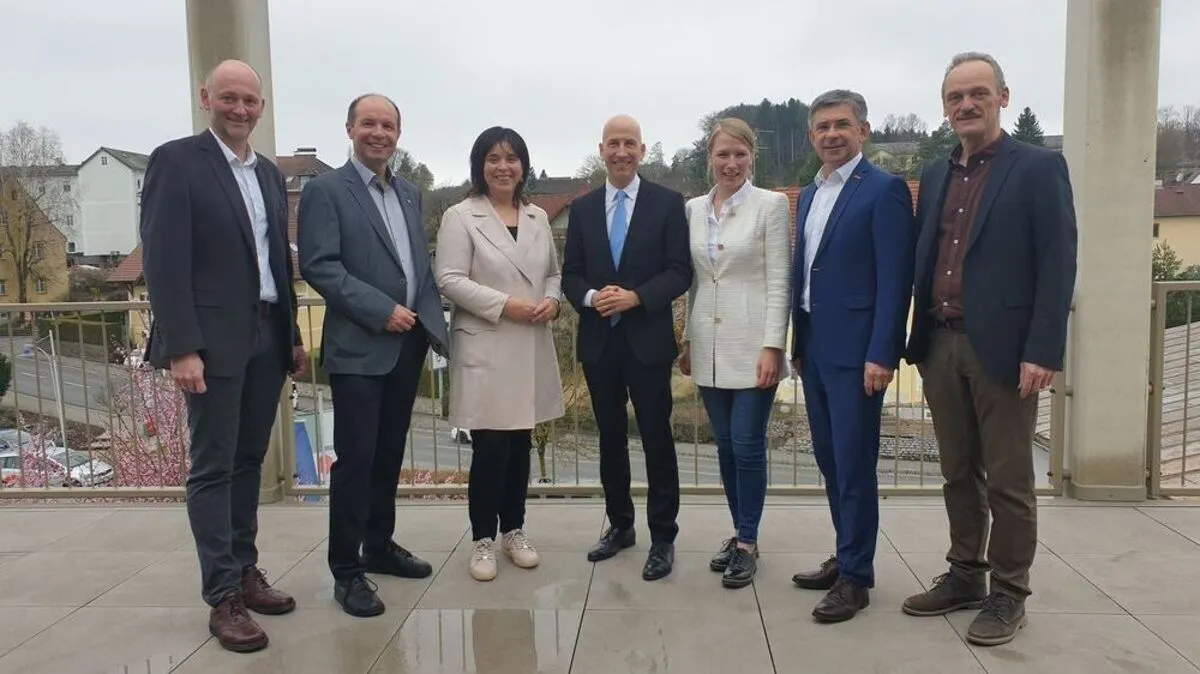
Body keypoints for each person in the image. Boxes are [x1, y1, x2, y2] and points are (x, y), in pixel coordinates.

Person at [902, 52, 1077, 647]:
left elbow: (1058, 263)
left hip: (1003, 350)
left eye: (978, 93)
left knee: (1007, 478)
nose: (966, 105)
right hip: (941, 343)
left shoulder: (1037, 168)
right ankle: (965, 575)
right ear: (945, 107)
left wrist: (1044, 348)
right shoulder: (934, 174)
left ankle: (1009, 592)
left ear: (1003, 97)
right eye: (955, 97)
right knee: (957, 472)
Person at [140, 59, 305, 653]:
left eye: (251, 101)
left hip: (265, 336)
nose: (240, 109)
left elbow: (275, 264)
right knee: (213, 467)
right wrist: (182, 346)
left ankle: (244, 570)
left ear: (262, 107)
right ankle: (222, 597)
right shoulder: (177, 161)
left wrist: (289, 336)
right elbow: (163, 261)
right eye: (229, 98)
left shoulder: (265, 173)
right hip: (211, 344)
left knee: (247, 461)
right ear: (206, 96)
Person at [297, 93, 450, 618]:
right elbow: (321, 266)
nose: (378, 133)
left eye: (388, 125)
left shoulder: (410, 193)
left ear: (398, 134)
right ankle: (347, 570)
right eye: (369, 123)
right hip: (360, 348)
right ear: (350, 128)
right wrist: (381, 310)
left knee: (388, 456)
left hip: (406, 348)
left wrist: (435, 331)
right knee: (356, 461)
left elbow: (419, 271)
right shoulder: (324, 190)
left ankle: (379, 546)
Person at [789, 89, 915, 623]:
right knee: (830, 461)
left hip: (858, 355)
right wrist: (800, 345)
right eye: (821, 127)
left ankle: (857, 579)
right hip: (816, 350)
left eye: (842, 124)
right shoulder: (813, 193)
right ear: (812, 136)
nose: (831, 134)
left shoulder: (882, 191)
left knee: (855, 465)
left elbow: (895, 281)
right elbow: (808, 273)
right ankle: (846, 557)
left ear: (863, 130)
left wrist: (882, 353)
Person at [561, 114, 692, 581]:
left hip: (648, 341)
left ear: (642, 150)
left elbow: (680, 271)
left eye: (629, 143)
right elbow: (570, 274)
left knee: (657, 439)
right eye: (613, 143)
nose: (621, 151)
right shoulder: (582, 208)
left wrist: (637, 297)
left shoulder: (667, 203)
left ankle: (663, 536)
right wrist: (593, 298)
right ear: (601, 150)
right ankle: (620, 526)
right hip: (600, 343)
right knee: (610, 439)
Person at [435, 126, 565, 582]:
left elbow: (552, 273)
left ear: (524, 166)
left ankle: (514, 530)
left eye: (512, 158)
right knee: (490, 449)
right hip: (488, 341)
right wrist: (505, 305)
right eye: (493, 158)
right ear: (480, 165)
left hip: (529, 343)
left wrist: (553, 300)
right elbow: (449, 279)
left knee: (520, 446)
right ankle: (482, 540)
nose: (503, 166)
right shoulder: (460, 216)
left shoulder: (537, 217)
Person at [677, 117, 791, 589]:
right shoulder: (693, 209)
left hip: (753, 346)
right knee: (724, 446)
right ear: (710, 158)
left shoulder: (771, 206)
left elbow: (779, 280)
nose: (731, 163)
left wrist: (773, 346)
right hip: (707, 344)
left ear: (752, 158)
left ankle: (747, 541)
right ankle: (740, 530)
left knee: (746, 444)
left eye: (739, 154)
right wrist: (685, 339)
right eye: (722, 154)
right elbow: (694, 281)